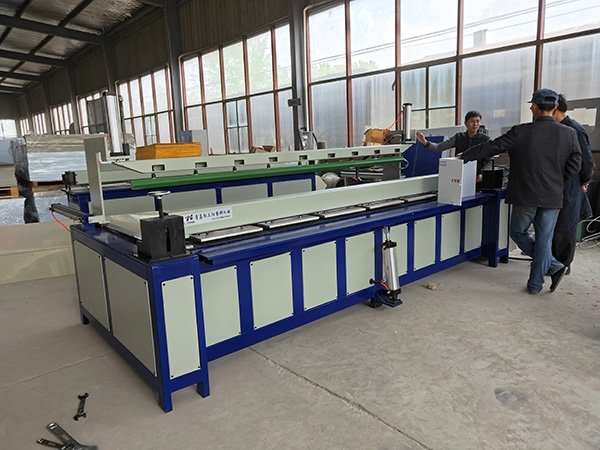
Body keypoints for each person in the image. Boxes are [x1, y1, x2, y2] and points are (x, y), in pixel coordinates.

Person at [459, 89, 582, 295]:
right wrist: (557, 179)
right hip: (553, 195)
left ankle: (552, 267)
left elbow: (492, 147)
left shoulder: (520, 131)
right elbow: (576, 164)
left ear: (533, 107)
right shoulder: (569, 133)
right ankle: (539, 281)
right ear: (555, 107)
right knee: (544, 240)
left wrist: (465, 155)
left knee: (517, 232)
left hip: (526, 194)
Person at [552, 94, 596, 271]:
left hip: (571, 184)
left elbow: (587, 161)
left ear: (554, 108)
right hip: (560, 184)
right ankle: (554, 261)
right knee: (557, 224)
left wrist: (583, 181)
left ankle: (563, 265)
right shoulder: (560, 128)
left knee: (566, 224)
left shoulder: (573, 129)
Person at [416, 111, 493, 181]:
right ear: (466, 123)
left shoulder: (485, 139)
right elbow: (439, 147)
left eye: (477, 121)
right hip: (459, 176)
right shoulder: (459, 137)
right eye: (472, 121)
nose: (475, 124)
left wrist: (482, 173)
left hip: (477, 178)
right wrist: (425, 142)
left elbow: (490, 161)